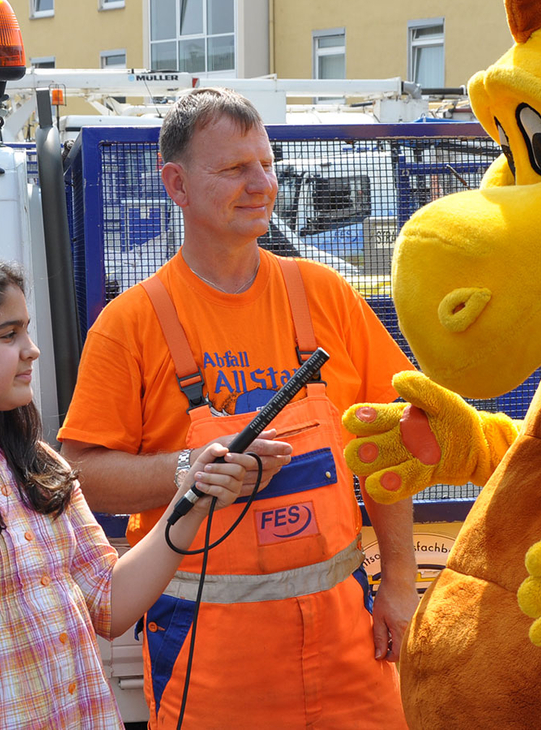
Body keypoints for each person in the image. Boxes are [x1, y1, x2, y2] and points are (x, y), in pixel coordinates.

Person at [59, 88, 418, 729]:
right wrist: (187, 471)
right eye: (233, 169)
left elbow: (387, 441)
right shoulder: (131, 324)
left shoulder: (324, 296)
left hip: (348, 648)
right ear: (176, 184)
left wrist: (397, 579)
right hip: (208, 657)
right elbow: (81, 475)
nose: (261, 185)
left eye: (267, 164)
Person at [0, 253, 251, 730]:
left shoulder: (37, 464)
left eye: (26, 332)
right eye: (8, 335)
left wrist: (192, 501)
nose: (31, 350)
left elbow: (109, 602)